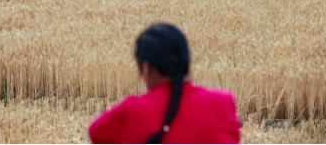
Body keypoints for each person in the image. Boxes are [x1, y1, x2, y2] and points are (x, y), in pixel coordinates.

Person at [89, 24, 240, 144]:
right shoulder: (223, 103)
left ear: (146, 68)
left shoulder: (130, 111)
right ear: (186, 63)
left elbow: (95, 133)